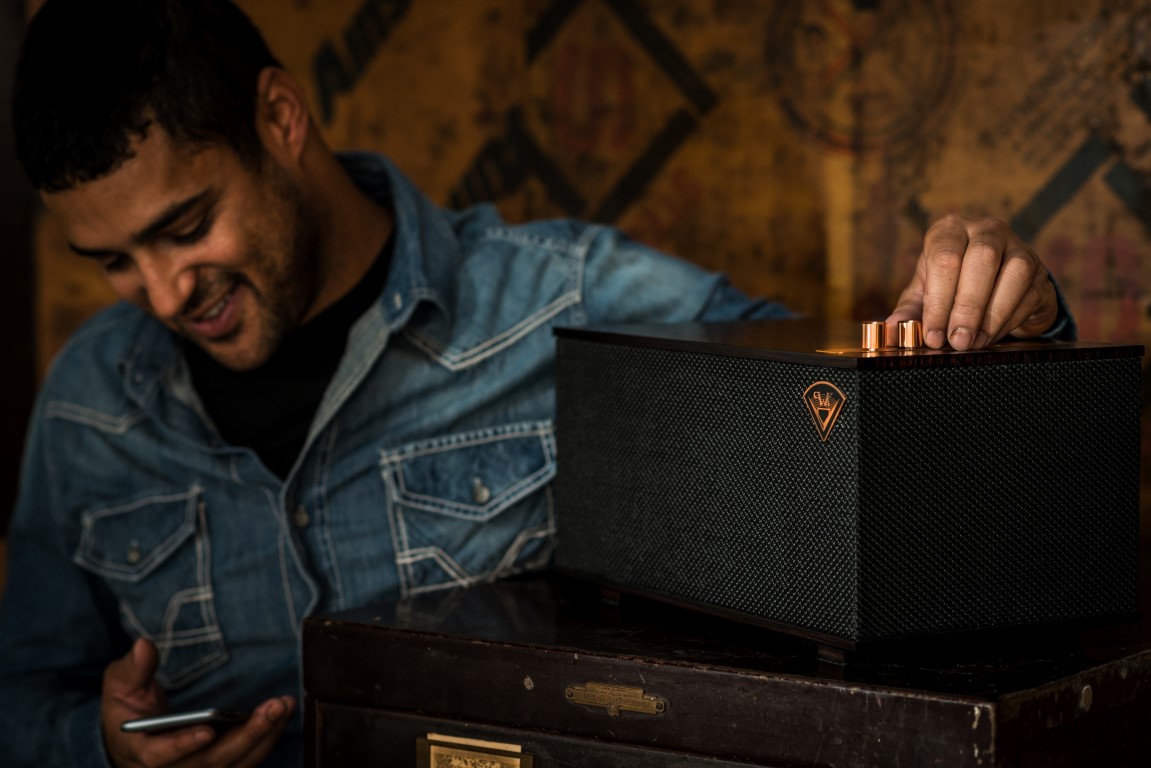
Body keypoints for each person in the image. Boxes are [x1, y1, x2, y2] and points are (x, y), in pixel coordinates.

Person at [0, 1, 1074, 766]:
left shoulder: (569, 300)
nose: (162, 292)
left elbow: (854, 424)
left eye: (186, 227)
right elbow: (22, 697)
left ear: (280, 118)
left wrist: (1003, 323)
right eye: (113, 261)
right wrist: (99, 743)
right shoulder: (89, 402)